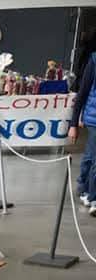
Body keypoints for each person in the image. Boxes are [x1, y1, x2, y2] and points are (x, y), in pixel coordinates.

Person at [69, 43, 96, 216]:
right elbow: (83, 92)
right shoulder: (94, 59)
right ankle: (93, 198)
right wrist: (73, 123)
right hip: (94, 118)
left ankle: (84, 187)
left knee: (91, 155)